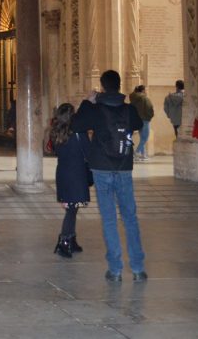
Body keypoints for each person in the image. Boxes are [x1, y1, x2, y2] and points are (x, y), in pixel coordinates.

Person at [72, 70, 146, 281]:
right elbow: (138, 125)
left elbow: (76, 125)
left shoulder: (95, 109)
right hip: (123, 167)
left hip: (101, 168)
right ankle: (138, 269)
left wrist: (88, 101)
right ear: (119, 84)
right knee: (130, 217)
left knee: (109, 219)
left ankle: (115, 270)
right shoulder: (129, 109)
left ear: (102, 87)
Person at [51, 102, 90, 258]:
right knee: (71, 210)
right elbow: (88, 151)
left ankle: (71, 239)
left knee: (72, 209)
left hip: (63, 173)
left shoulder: (56, 133)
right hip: (77, 174)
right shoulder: (79, 133)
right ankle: (64, 242)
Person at [129, 84, 154, 161]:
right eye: (146, 89)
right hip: (145, 119)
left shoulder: (133, 98)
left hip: (137, 120)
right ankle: (136, 153)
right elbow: (149, 108)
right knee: (145, 138)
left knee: (142, 138)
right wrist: (150, 116)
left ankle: (143, 155)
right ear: (143, 90)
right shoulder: (145, 98)